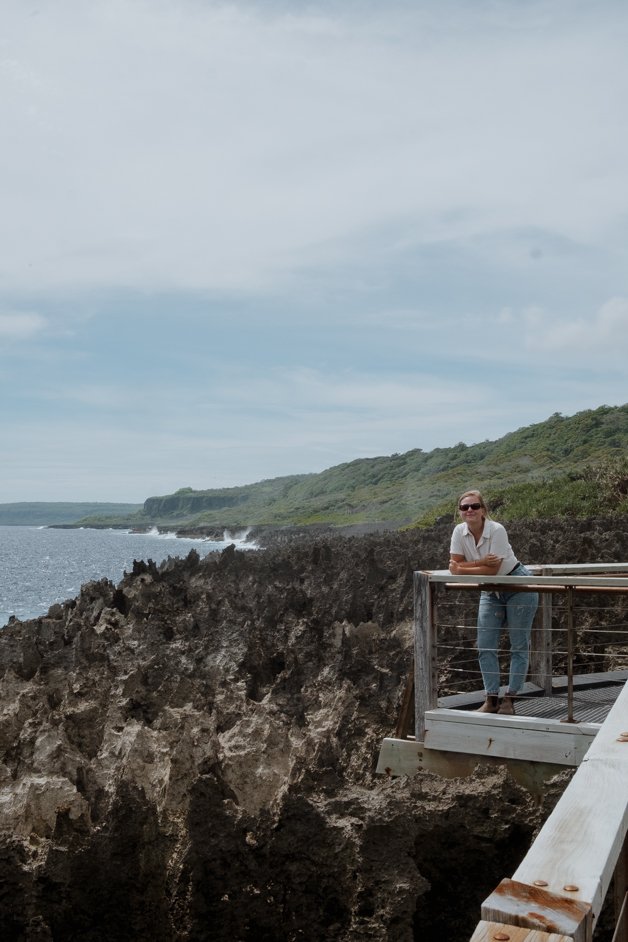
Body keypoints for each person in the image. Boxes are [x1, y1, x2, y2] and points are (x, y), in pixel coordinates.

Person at [448, 489, 539, 715]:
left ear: (483, 510)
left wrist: (462, 569)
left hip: (517, 584)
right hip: (489, 589)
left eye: (474, 506)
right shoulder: (459, 531)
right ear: (460, 512)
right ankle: (491, 699)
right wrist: (474, 563)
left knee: (518, 644)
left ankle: (510, 698)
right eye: (464, 507)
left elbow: (493, 568)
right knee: (485, 645)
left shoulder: (497, 530)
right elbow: (454, 563)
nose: (469, 510)